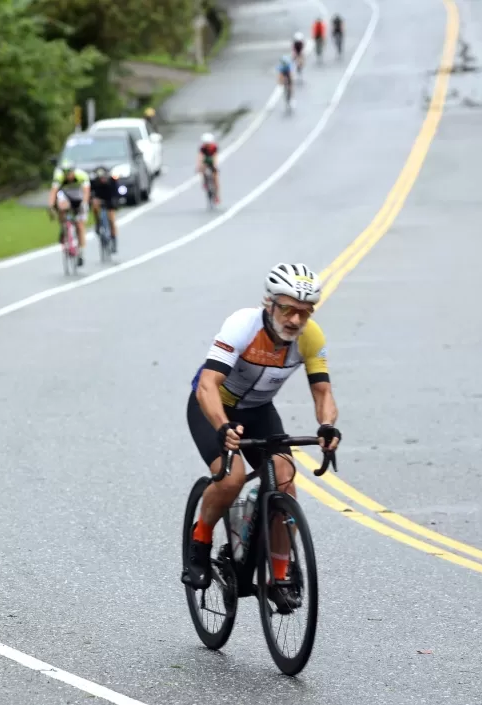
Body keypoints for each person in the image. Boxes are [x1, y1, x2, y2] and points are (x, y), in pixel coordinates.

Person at [182, 263, 342, 612]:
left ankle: (279, 575)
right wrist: (223, 426)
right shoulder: (243, 325)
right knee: (232, 477)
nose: (295, 320)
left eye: (304, 312)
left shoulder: (310, 337)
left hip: (258, 411)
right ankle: (201, 540)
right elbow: (207, 385)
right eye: (287, 309)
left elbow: (323, 393)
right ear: (269, 303)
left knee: (285, 481)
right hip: (213, 407)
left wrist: (327, 425)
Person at [48, 159, 91, 267]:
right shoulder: (59, 177)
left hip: (79, 198)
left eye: (70, 173)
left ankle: (81, 252)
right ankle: (63, 227)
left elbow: (86, 192)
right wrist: (51, 207)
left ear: (73, 171)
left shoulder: (81, 175)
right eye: (66, 173)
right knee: (61, 205)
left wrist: (85, 204)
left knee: (80, 225)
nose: (68, 176)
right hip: (66, 197)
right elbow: (53, 193)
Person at [90, 166, 120, 254]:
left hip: (110, 201)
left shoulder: (112, 181)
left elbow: (116, 194)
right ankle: (97, 223)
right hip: (99, 200)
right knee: (95, 206)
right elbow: (91, 194)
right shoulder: (94, 183)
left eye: (104, 177)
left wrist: (115, 202)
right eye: (100, 178)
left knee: (111, 219)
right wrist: (92, 199)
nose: (102, 179)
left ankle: (114, 240)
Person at [196, 133, 220, 205]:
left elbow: (215, 157)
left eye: (208, 144)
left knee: (215, 178)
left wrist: (215, 166)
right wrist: (199, 166)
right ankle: (205, 181)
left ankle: (217, 196)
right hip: (205, 161)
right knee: (202, 169)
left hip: (212, 161)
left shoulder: (214, 147)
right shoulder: (202, 148)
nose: (207, 145)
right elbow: (200, 157)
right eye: (206, 144)